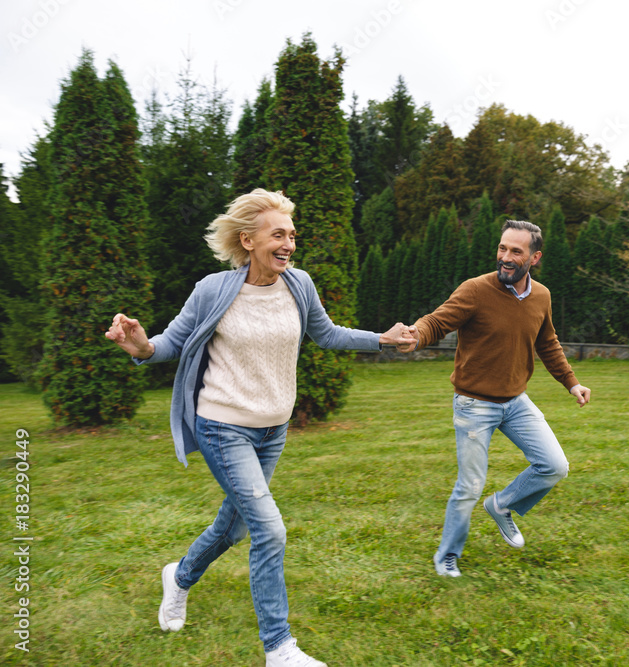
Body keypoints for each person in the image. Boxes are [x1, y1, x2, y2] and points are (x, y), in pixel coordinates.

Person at [105, 189, 416, 667]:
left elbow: (326, 333)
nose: (289, 243)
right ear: (248, 240)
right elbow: (170, 343)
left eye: (292, 234)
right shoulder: (213, 289)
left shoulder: (299, 284)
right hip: (222, 426)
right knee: (269, 530)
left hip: (274, 429)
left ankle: (179, 577)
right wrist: (142, 347)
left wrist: (382, 339)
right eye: (279, 234)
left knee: (232, 528)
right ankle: (280, 648)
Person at [409, 219, 592, 578]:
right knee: (470, 485)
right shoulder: (476, 290)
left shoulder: (541, 296)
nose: (505, 257)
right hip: (474, 404)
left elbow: (546, 342)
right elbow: (438, 322)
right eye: (502, 249)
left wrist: (571, 382)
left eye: (516, 252)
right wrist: (414, 335)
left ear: (534, 257)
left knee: (555, 465)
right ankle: (448, 555)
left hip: (516, 400)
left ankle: (502, 505)